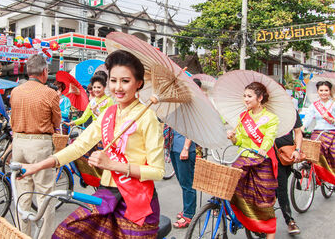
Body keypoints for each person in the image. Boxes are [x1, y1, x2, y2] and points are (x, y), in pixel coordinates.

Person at [21, 50, 165, 238]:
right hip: (107, 196)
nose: (118, 87)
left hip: (137, 202)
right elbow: (79, 146)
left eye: (125, 81)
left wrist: (113, 165)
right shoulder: (109, 113)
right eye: (113, 81)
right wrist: (38, 166)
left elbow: (158, 171)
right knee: (66, 232)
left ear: (139, 84)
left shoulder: (148, 118)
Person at [10, 54, 61, 238]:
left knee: (22, 193)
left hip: (19, 143)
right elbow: (56, 121)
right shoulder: (50, 93)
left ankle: (22, 235)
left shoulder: (16, 91)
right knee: (45, 194)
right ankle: (44, 236)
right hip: (40, 144)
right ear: (44, 72)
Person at [227, 82, 279, 239]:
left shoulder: (271, 118)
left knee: (263, 202)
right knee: (232, 189)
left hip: (261, 162)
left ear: (260, 98)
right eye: (244, 96)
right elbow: (240, 141)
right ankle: (245, 219)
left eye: (249, 96)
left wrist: (263, 148)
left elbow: (269, 138)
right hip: (244, 159)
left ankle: (268, 229)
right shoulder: (243, 117)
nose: (246, 99)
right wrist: (233, 137)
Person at [302, 80, 335, 186]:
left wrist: (332, 120)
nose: (324, 93)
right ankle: (317, 174)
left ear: (330, 91)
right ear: (318, 91)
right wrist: (303, 127)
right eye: (321, 90)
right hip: (318, 132)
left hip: (332, 133)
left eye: (326, 90)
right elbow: (308, 118)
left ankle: (333, 177)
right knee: (313, 154)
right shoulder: (314, 105)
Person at [275, 109, 303, 235]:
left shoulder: (290, 110)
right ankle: (289, 221)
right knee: (279, 189)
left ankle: (288, 220)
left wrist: (297, 149)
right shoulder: (262, 111)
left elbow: (298, 132)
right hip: (268, 155)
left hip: (287, 155)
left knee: (280, 189)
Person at [169, 128, 196, 228]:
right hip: (174, 147)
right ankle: (187, 209)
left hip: (183, 149)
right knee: (182, 181)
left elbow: (191, 130)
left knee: (187, 183)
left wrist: (186, 148)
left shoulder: (188, 112)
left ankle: (189, 214)